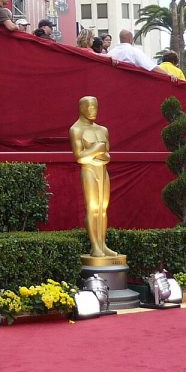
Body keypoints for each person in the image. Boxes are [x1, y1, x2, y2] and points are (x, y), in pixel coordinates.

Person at [69, 96, 120, 259]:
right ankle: (95, 246)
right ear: (82, 108)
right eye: (90, 107)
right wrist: (97, 149)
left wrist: (97, 153)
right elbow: (79, 157)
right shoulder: (76, 130)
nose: (93, 110)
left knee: (103, 209)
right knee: (92, 208)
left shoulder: (102, 130)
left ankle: (103, 244)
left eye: (95, 107)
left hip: (102, 171)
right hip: (89, 171)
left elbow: (107, 155)